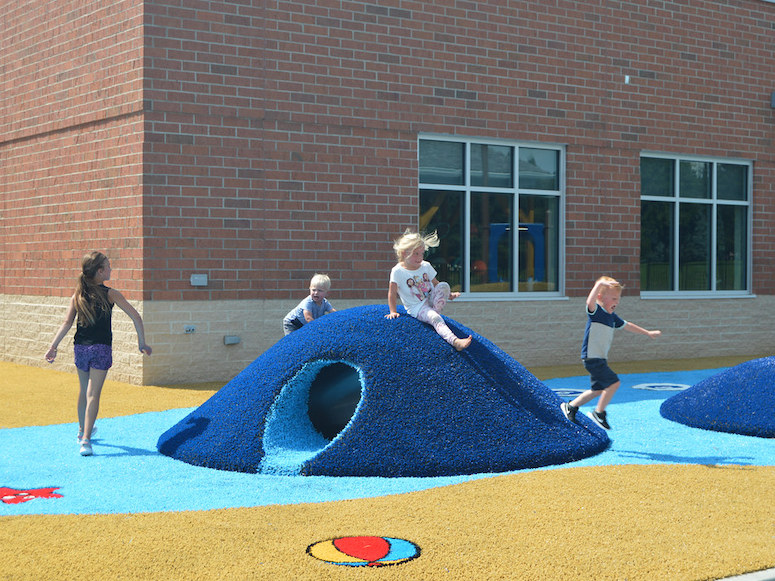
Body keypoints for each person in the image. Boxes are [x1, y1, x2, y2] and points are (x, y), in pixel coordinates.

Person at [45, 252, 152, 456]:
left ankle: (81, 431)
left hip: (81, 349)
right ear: (100, 271)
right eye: (108, 267)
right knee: (93, 394)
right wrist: (142, 343)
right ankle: (86, 440)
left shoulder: (78, 294)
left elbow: (67, 323)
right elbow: (136, 317)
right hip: (101, 349)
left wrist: (53, 346)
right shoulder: (111, 294)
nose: (111, 270)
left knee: (84, 391)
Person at [560, 276, 660, 430]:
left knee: (598, 390)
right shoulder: (596, 312)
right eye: (613, 298)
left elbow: (628, 325)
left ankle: (571, 406)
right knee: (614, 383)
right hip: (592, 358)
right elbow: (589, 302)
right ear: (600, 297)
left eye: (618, 298)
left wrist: (647, 333)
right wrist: (598, 284)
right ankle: (598, 413)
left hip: (599, 358)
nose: (617, 302)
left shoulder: (612, 318)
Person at [385, 229, 472, 351]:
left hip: (431, 299)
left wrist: (449, 294)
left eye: (422, 254)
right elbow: (392, 293)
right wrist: (393, 311)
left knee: (444, 285)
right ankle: (455, 341)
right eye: (416, 254)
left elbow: (436, 284)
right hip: (418, 307)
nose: (420, 257)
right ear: (404, 253)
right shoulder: (398, 271)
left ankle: (434, 314)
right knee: (434, 318)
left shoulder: (426, 266)